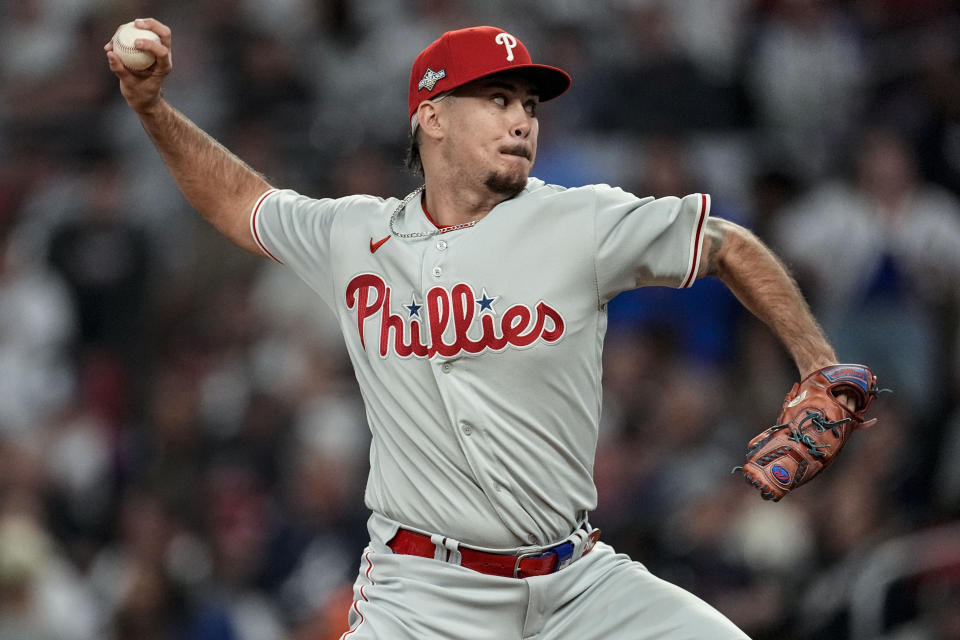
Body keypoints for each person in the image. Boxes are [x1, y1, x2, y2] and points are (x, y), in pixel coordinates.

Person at [106, 20, 860, 639]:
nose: (522, 120)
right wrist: (151, 109)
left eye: (529, 105)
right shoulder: (354, 234)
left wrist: (818, 366)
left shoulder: (577, 220)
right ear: (431, 115)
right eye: (497, 99)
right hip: (422, 598)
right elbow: (242, 202)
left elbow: (726, 243)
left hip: (577, 585)